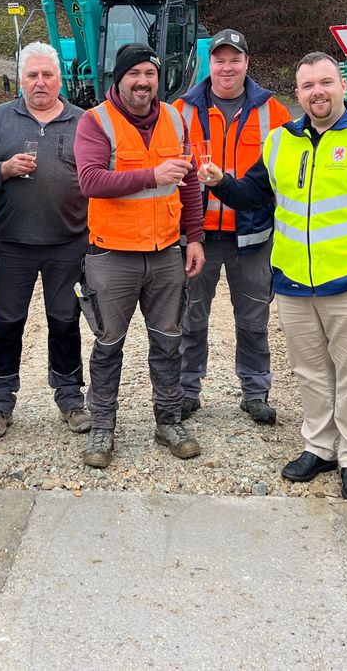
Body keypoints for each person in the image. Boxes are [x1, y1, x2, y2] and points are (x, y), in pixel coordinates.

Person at [202, 51, 347, 501]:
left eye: (325, 83)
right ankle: (320, 447)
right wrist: (220, 182)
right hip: (295, 283)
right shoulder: (281, 141)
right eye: (307, 86)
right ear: (297, 93)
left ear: (343, 85)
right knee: (310, 373)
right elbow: (253, 196)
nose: (317, 93)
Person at [72, 42, 206, 468]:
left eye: (149, 73)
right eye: (135, 74)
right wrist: (151, 174)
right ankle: (102, 428)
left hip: (166, 251)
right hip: (112, 255)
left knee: (168, 342)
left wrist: (195, 237)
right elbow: (90, 181)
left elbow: (187, 185)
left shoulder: (174, 118)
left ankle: (168, 421)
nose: (143, 82)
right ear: (119, 78)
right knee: (108, 345)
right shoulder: (96, 122)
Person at [173, 28, 290, 423]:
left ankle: (256, 391)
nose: (227, 67)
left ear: (247, 63)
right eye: (220, 60)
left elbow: (285, 176)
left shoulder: (273, 111)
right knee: (190, 317)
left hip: (253, 236)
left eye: (234, 59)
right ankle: (187, 389)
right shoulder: (181, 110)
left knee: (254, 319)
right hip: (197, 236)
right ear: (210, 65)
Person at [0, 42, 91, 439]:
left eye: (47, 75)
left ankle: (71, 397)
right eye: (32, 75)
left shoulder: (84, 121)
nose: (40, 83)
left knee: (65, 321)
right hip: (12, 243)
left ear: (60, 78)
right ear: (21, 78)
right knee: (7, 324)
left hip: (70, 242)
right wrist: (3, 170)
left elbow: (102, 176)